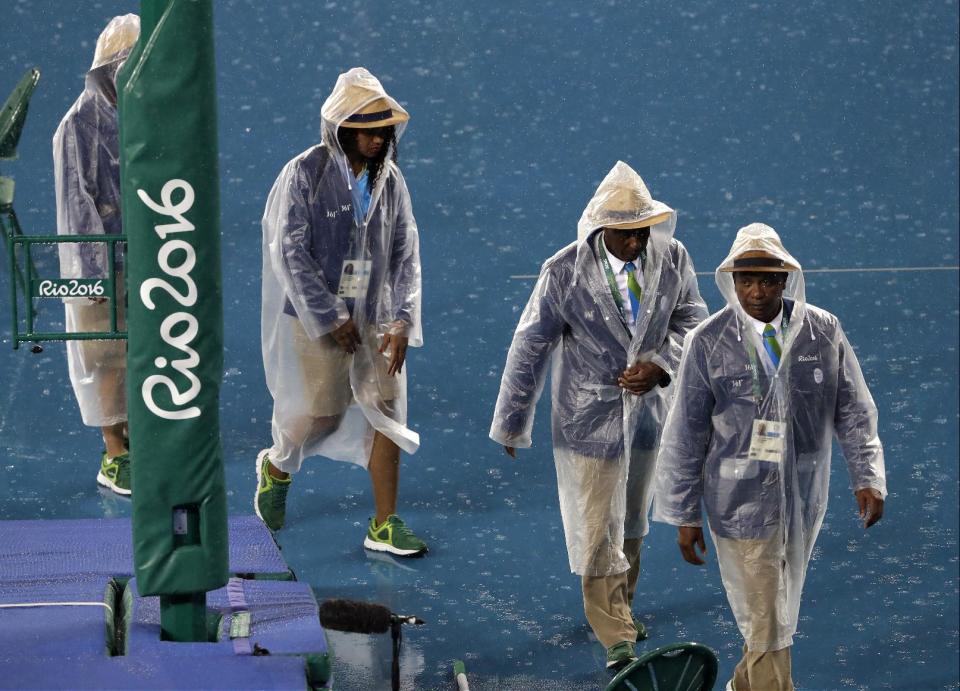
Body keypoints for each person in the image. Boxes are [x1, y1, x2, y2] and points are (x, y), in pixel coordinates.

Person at [489, 161, 708, 671]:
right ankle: (613, 631)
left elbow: (692, 323)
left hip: (650, 416)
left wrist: (661, 365)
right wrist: (512, 418)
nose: (637, 242)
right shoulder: (563, 271)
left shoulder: (672, 258)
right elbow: (530, 345)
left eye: (642, 231)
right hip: (586, 423)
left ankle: (622, 609)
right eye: (627, 234)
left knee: (631, 519)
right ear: (601, 228)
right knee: (595, 526)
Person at [653, 223, 886, 691]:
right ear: (732, 281)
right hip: (736, 504)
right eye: (745, 280)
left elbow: (853, 408)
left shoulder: (822, 330)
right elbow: (684, 432)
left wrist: (868, 475)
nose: (755, 291)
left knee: (772, 612)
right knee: (769, 622)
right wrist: (682, 512)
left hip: (802, 498)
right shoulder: (708, 340)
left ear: (785, 280)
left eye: (765, 280)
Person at [255, 67, 427, 558]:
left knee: (387, 416)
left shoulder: (390, 182)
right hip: (314, 321)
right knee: (322, 415)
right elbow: (290, 252)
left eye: (384, 132)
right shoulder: (303, 175)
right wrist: (330, 315)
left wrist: (401, 320)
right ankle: (278, 466)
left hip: (376, 318)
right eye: (369, 132)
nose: (379, 141)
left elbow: (404, 253)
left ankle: (384, 522)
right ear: (344, 130)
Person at [52, 14, 140, 496]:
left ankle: (128, 438)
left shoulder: (139, 118)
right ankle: (114, 454)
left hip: (142, 263)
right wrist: (95, 278)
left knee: (135, 355)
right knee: (107, 357)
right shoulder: (77, 126)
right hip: (99, 268)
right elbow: (76, 209)